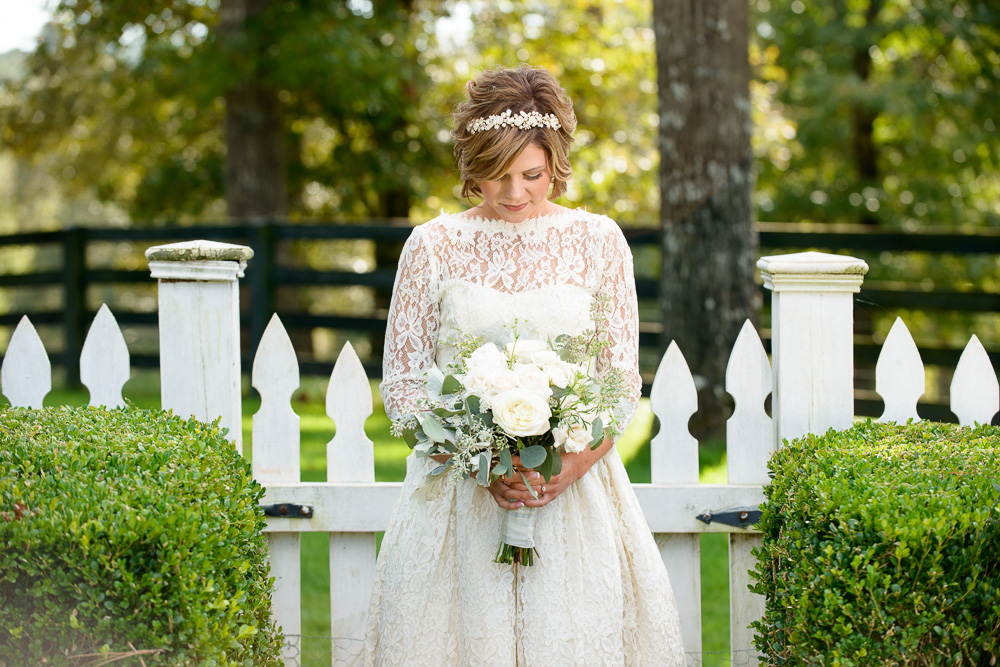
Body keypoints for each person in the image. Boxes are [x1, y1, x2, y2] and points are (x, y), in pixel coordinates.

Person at [363, 65, 685, 666]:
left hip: (572, 499)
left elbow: (619, 383)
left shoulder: (599, 241)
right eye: (494, 175)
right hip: (458, 503)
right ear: (470, 165)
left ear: (556, 162)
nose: (513, 193)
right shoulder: (431, 246)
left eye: (531, 175)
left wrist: (566, 465)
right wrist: (482, 464)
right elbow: (404, 389)